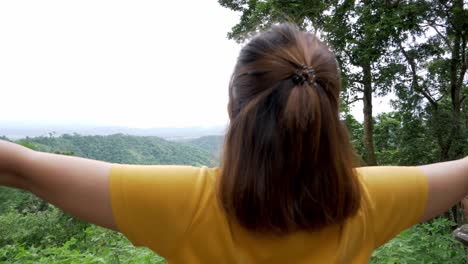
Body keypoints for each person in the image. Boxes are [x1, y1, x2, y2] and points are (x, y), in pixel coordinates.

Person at [0, 23, 467, 263]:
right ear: (328, 116)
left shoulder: (187, 204)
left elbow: (19, 167)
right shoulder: (370, 201)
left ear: (232, 110)